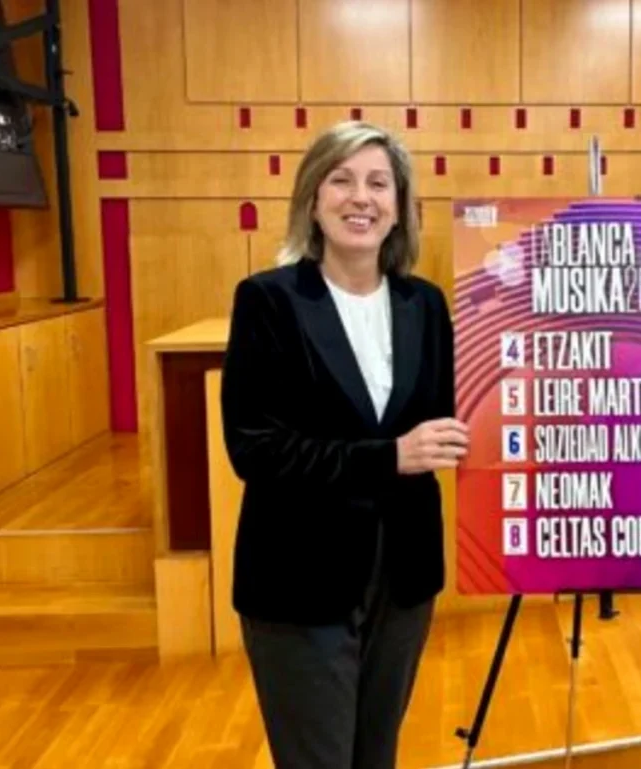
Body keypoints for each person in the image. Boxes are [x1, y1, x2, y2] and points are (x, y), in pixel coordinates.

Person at [219, 120, 469, 769]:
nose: (361, 197)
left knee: (375, 756)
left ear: (400, 209)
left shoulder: (427, 305)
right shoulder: (267, 301)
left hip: (405, 574)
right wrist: (388, 457)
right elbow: (255, 448)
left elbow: (447, 425)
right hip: (299, 574)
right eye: (342, 179)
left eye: (379, 183)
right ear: (312, 198)